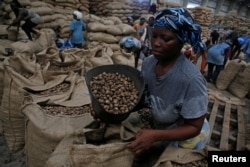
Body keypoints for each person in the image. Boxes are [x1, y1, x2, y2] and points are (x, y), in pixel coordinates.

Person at [91, 8, 210, 166]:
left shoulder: (191, 79)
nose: (156, 43)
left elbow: (194, 127)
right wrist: (108, 110)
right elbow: (144, 98)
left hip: (187, 137)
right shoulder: (149, 62)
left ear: (181, 41)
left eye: (166, 39)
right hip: (163, 125)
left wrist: (154, 135)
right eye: (154, 35)